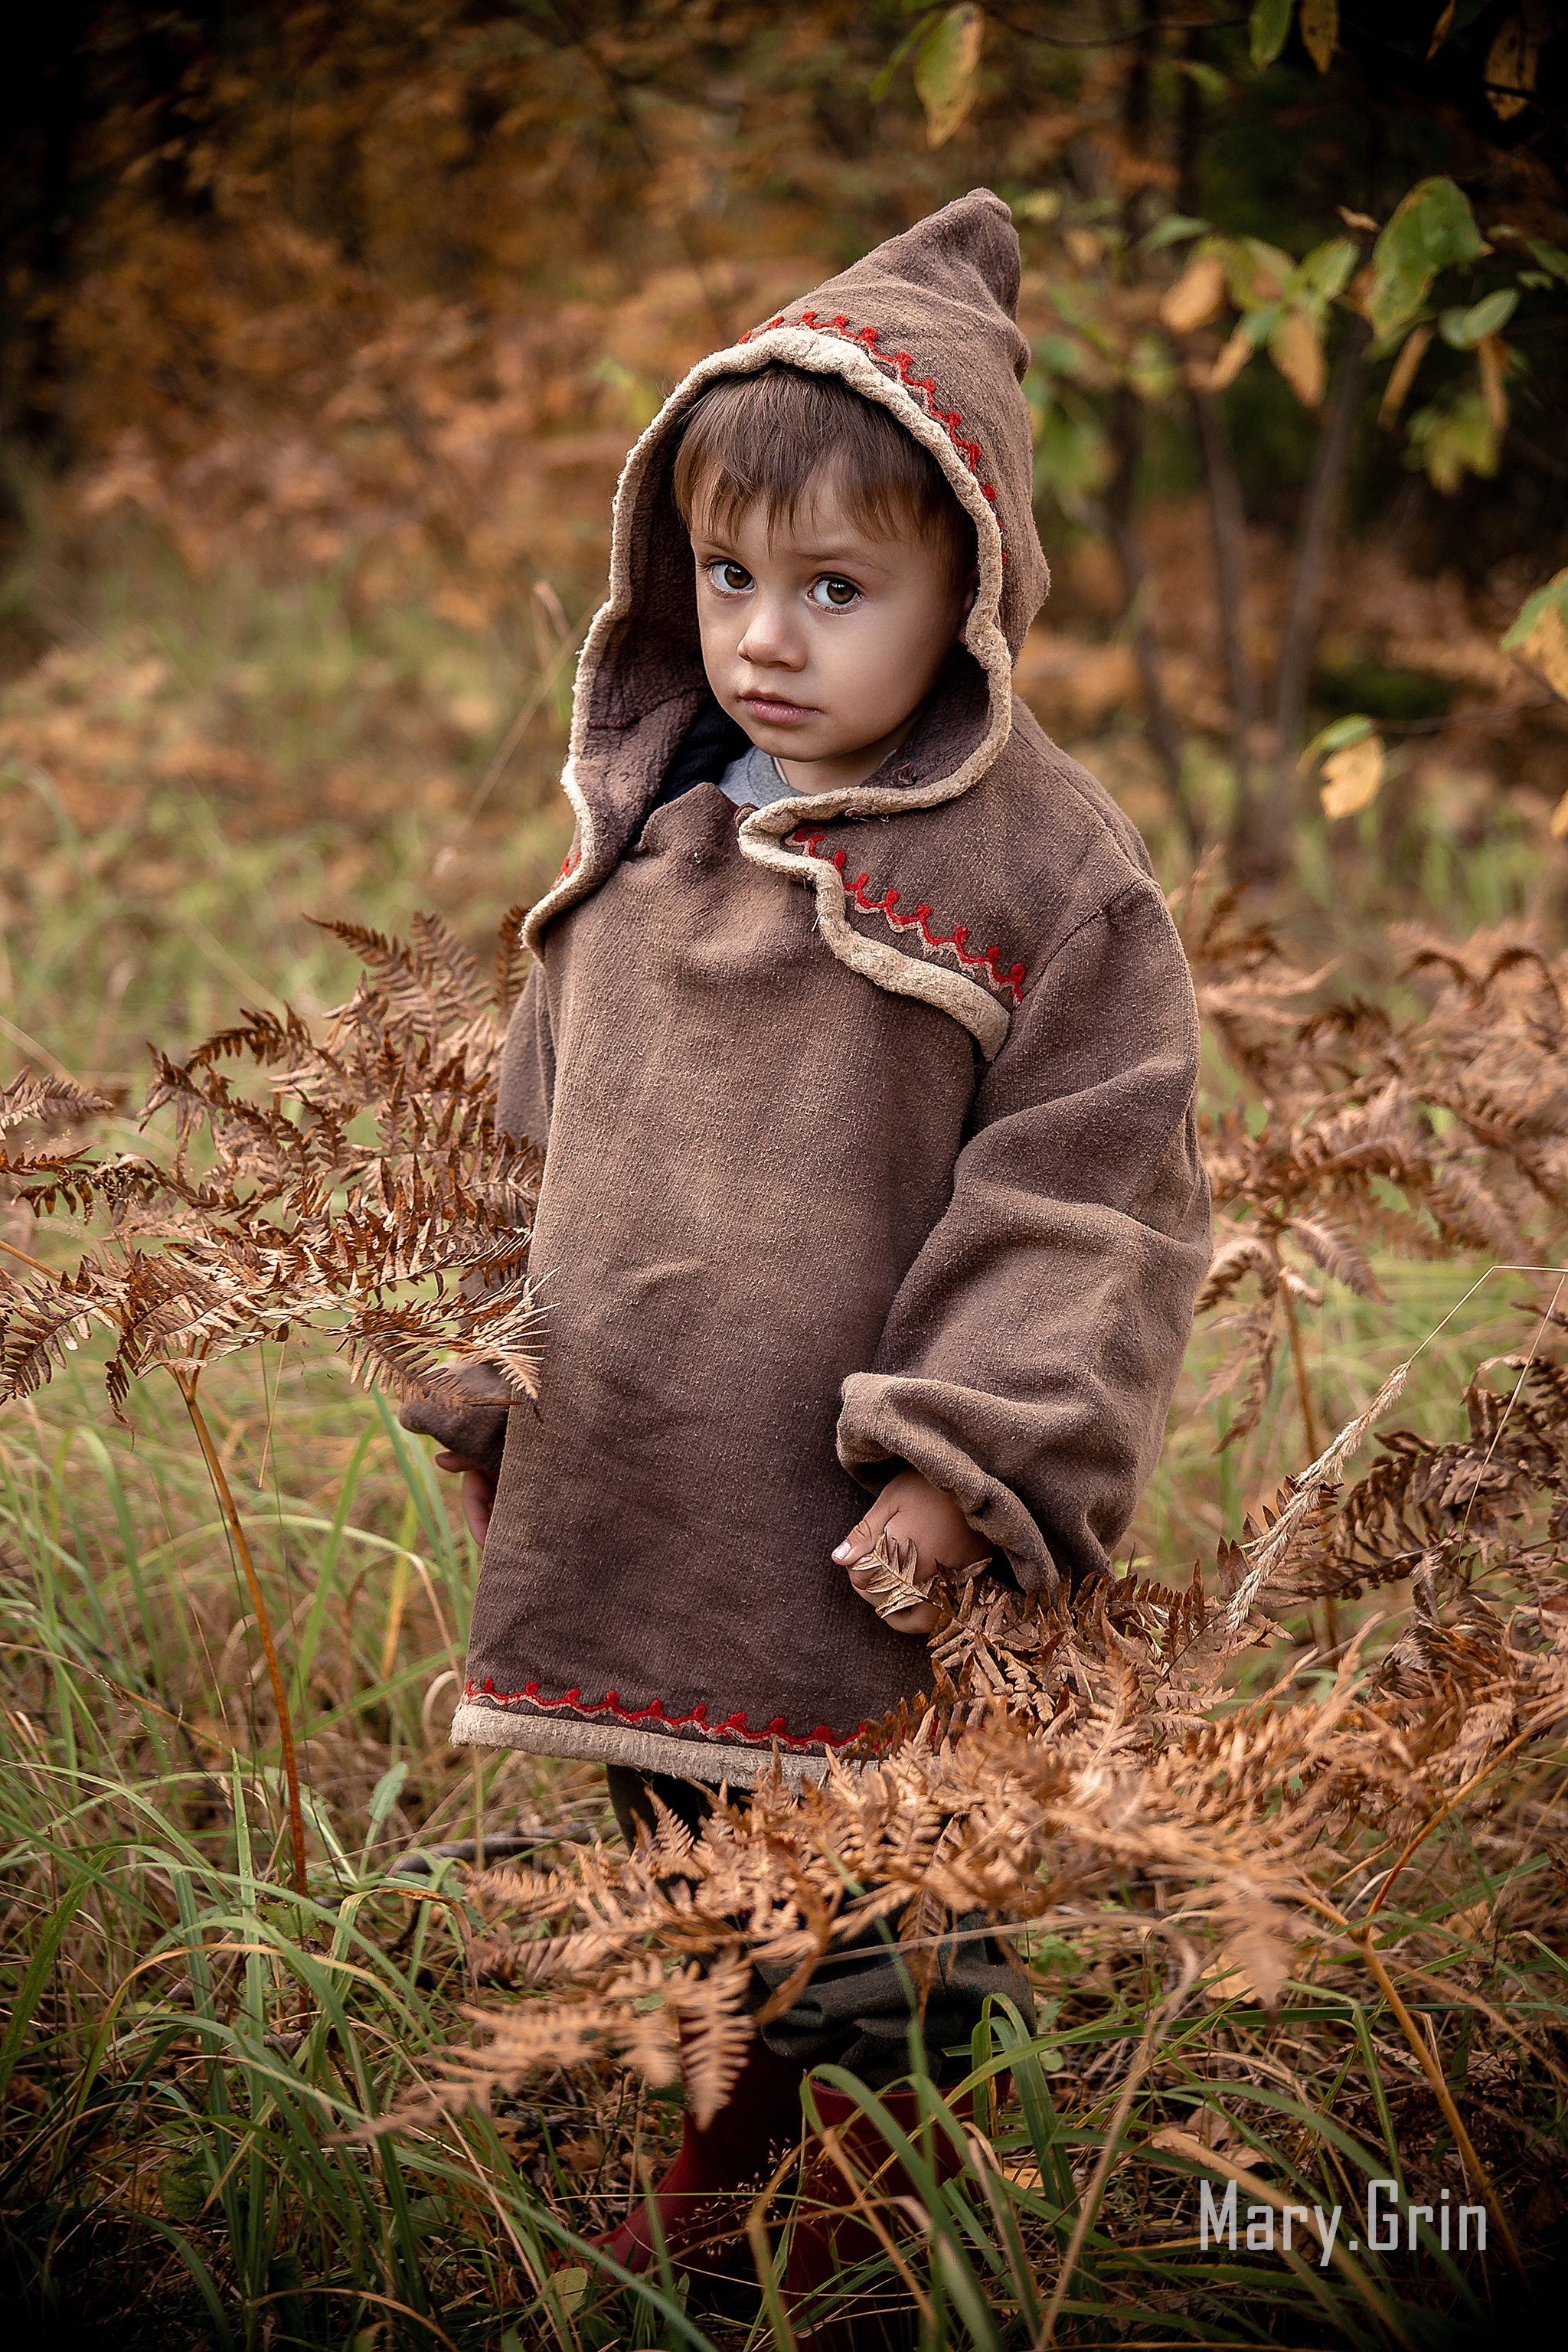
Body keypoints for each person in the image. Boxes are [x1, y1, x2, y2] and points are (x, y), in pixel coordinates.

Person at [402, 188, 1210, 2306]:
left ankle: (831, 2227)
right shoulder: (659, 831)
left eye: (840, 587)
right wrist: (507, 1386)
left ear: (971, 587)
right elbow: (542, 1154)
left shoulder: (1044, 876)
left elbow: (1086, 1192)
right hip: (650, 1483)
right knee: (696, 1877)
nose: (769, 633)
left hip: (863, 1519)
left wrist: (968, 1459)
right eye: (731, 573)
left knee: (883, 1915)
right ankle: (732, 2152)